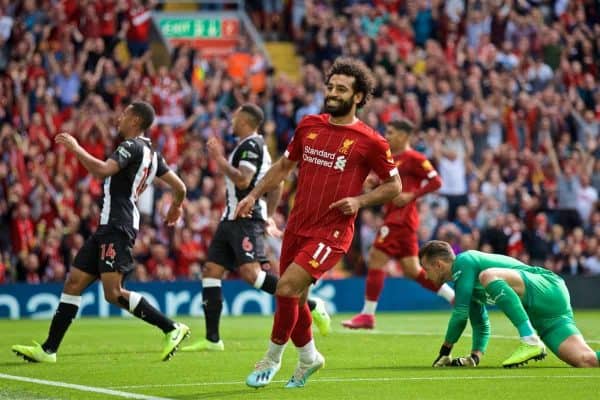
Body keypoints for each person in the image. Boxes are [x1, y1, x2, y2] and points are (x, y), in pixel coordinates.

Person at [236, 57, 402, 388]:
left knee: (285, 288)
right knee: (294, 299)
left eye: (341, 89)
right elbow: (284, 167)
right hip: (298, 226)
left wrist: (359, 201)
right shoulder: (309, 124)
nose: (333, 93)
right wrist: (254, 195)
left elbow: (395, 186)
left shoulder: (371, 141)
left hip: (333, 231)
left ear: (358, 96)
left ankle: (271, 358)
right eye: (330, 87)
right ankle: (310, 358)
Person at [12, 101, 190, 363]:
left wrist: (76, 148)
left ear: (136, 121)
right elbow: (181, 188)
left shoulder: (130, 146)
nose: (120, 117)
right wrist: (175, 207)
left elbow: (102, 170)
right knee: (74, 283)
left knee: (113, 292)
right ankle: (49, 349)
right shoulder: (153, 154)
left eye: (126, 114)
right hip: (109, 227)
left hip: (118, 226)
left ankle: (171, 327)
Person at [180, 104, 331, 353]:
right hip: (231, 218)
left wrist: (218, 159)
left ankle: (312, 305)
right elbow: (278, 184)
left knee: (251, 274)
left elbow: (243, 179)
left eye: (236, 114)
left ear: (246, 120)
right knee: (211, 271)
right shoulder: (249, 146)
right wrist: (269, 215)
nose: (232, 119)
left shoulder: (251, 145)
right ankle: (212, 339)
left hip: (244, 218)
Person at [342, 119, 454, 330]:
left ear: (404, 136)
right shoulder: (392, 159)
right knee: (412, 270)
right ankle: (455, 298)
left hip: (400, 219)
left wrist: (412, 195)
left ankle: (367, 315)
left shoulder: (414, 158)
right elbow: (391, 184)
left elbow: (436, 181)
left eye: (391, 132)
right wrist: (374, 183)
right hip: (399, 219)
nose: (387, 135)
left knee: (376, 257)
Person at [419, 240, 600, 368]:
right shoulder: (464, 287)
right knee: (586, 360)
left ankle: (530, 340)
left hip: (545, 286)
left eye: (426, 269)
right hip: (544, 314)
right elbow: (480, 324)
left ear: (439, 265)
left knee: (488, 275)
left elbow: (460, 315)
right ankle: (531, 338)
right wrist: (475, 356)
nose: (426, 276)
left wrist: (445, 351)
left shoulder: (464, 261)